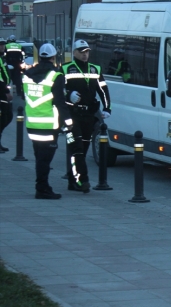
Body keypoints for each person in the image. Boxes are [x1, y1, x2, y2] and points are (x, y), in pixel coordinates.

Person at [22, 43, 74, 199]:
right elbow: (60, 102)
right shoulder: (55, 76)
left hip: (32, 124)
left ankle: (42, 186)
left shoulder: (27, 74)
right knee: (45, 160)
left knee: (40, 157)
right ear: (53, 57)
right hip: (49, 125)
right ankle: (42, 188)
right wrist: (69, 122)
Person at [62, 39, 112, 193]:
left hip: (89, 115)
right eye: (81, 52)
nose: (85, 55)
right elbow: (57, 90)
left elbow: (103, 90)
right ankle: (82, 180)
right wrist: (68, 94)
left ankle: (72, 180)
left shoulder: (95, 69)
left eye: (87, 52)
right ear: (74, 52)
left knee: (82, 149)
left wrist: (107, 108)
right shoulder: (65, 68)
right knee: (76, 148)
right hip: (72, 115)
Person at [0, 37, 13, 152]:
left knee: (7, 117)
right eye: (0, 45)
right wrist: (6, 91)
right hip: (1, 92)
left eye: (3, 44)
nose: (2, 46)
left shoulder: (2, 57)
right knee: (4, 118)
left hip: (3, 91)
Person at [5, 34, 26, 100]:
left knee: (8, 77)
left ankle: (7, 91)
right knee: (18, 79)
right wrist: (22, 61)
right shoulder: (19, 46)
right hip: (17, 64)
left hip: (9, 63)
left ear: (10, 40)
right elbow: (23, 54)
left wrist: (5, 61)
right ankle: (19, 92)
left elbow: (4, 55)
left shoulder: (7, 46)